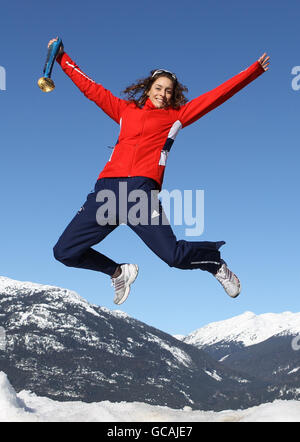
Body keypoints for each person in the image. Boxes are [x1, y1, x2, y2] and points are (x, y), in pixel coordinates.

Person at [50, 37, 270, 305]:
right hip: (106, 191)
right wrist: (62, 58)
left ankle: (213, 262)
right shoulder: (124, 111)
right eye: (158, 88)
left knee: (174, 256)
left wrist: (253, 71)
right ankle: (118, 272)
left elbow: (216, 96)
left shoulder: (176, 117)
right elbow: (90, 87)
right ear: (148, 89)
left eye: (168, 90)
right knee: (64, 251)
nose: (163, 94)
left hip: (139, 194)